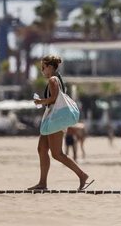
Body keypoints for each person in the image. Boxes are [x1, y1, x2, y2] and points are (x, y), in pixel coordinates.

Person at [27, 54, 94, 191]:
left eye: (43, 67)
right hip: (52, 120)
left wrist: (40, 101)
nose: (42, 70)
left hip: (55, 120)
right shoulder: (57, 78)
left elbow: (53, 99)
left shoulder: (53, 79)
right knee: (42, 149)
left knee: (57, 154)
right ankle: (42, 183)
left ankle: (82, 175)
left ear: (50, 67)